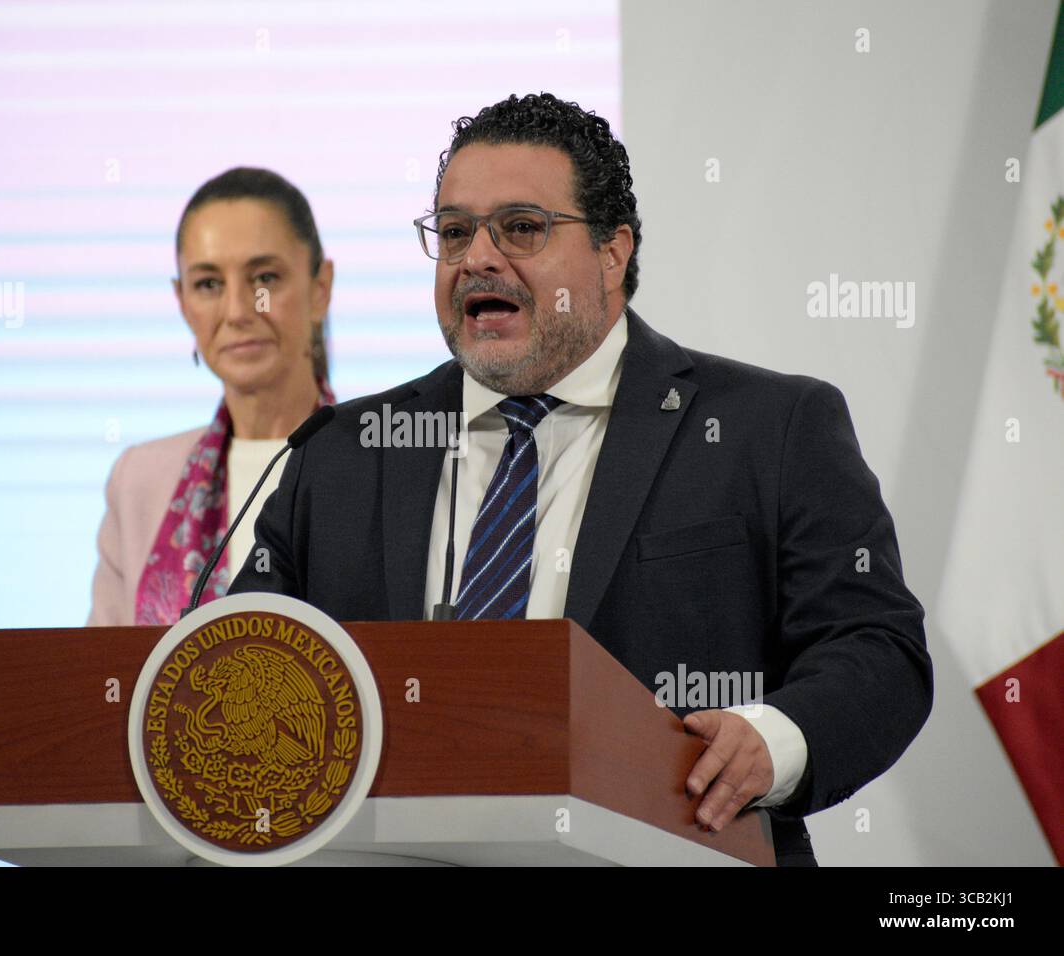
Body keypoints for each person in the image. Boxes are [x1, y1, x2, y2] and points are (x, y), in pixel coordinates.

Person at [228, 93, 933, 866]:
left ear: (613, 252)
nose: (478, 260)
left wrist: (772, 742)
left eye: (521, 228)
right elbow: (240, 668)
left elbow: (877, 651)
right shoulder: (343, 450)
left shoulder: (769, 428)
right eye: (455, 232)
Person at [88, 167, 336, 627]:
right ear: (181, 301)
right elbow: (102, 680)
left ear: (320, 288)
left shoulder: (384, 458)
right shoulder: (138, 481)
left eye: (264, 278)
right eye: (208, 284)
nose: (239, 311)